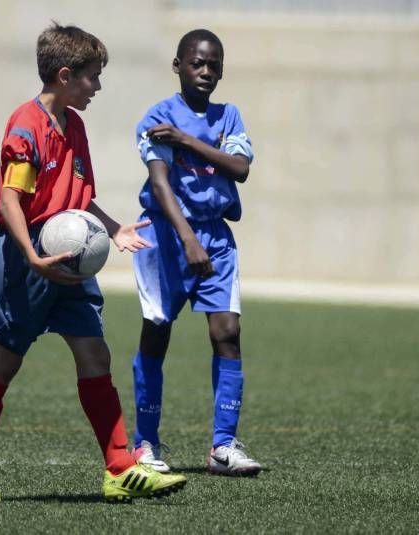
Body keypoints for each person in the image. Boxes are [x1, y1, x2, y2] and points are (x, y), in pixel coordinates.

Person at [0, 22, 187, 503]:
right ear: (63, 75)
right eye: (92, 77)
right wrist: (32, 257)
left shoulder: (75, 125)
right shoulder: (25, 125)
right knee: (6, 363)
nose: (98, 86)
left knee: (95, 354)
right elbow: (11, 199)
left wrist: (114, 228)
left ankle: (118, 466)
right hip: (24, 255)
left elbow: (81, 197)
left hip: (71, 256)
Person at [129, 29, 262, 477]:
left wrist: (185, 140)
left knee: (227, 332)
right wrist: (186, 238)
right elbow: (161, 183)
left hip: (217, 238)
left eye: (214, 65)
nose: (206, 71)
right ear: (178, 65)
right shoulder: (157, 115)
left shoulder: (229, 116)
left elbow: (239, 168)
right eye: (197, 63)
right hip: (167, 236)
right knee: (157, 331)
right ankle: (145, 443)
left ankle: (222, 447)